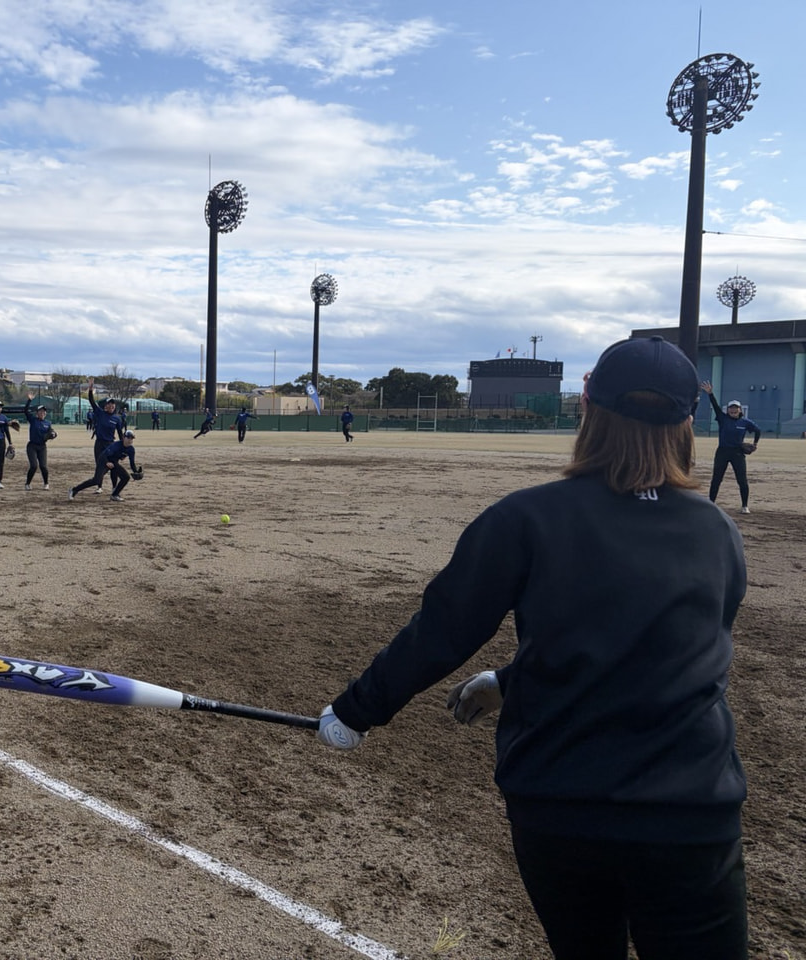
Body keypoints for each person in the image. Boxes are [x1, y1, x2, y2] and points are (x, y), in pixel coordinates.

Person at [317, 336, 748, 960]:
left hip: (561, 807)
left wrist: (357, 711)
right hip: (689, 814)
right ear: (688, 423)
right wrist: (508, 680)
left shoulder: (526, 517)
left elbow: (441, 631)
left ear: (587, 410)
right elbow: (664, 653)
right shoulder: (715, 530)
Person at [700, 382, 761, 515]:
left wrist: (755, 444)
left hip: (737, 453)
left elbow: (758, 430)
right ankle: (711, 503)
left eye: (736, 408)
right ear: (727, 410)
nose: (733, 410)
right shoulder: (723, 418)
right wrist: (710, 394)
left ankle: (745, 506)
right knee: (716, 478)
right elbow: (715, 407)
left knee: (742, 480)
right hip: (722, 451)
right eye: (731, 408)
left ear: (740, 410)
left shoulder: (745, 422)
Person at [69, 429, 139, 502]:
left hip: (113, 463)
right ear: (124, 437)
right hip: (103, 461)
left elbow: (132, 463)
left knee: (126, 477)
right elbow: (103, 455)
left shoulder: (131, 449)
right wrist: (107, 462)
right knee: (96, 480)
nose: (130, 440)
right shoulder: (116, 445)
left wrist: (136, 471)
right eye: (128, 438)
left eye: (131, 438)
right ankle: (74, 490)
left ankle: (115, 495)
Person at [86, 378, 125, 494]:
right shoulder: (100, 413)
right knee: (100, 465)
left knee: (114, 465)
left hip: (110, 444)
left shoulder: (117, 419)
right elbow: (92, 401)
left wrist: (123, 448)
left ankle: (114, 487)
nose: (111, 406)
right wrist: (90, 389)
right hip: (99, 444)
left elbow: (120, 434)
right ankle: (99, 486)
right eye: (109, 404)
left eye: (113, 404)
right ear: (105, 406)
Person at [23, 393, 55, 490]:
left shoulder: (47, 423)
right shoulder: (33, 420)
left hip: (42, 447)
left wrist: (53, 434)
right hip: (32, 446)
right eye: (40, 412)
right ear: (37, 413)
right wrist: (29, 400)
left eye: (43, 412)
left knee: (43, 466)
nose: (42, 413)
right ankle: (27, 483)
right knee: (33, 466)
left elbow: (52, 432)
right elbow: (25, 411)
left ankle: (46, 483)